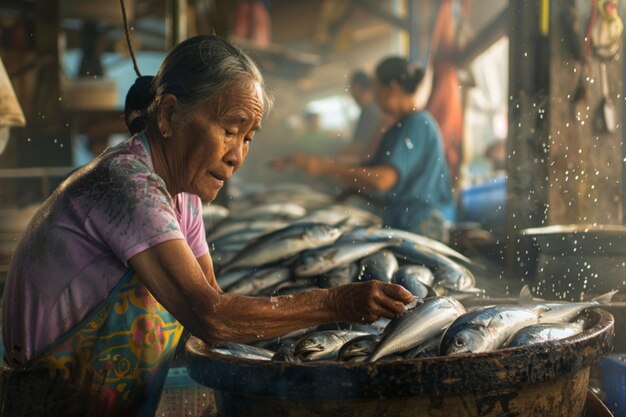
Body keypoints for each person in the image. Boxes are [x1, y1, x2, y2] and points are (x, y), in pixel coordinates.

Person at [0, 35, 413, 416]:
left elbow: (215, 302)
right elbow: (210, 316)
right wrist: (337, 303)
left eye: (248, 137)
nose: (237, 155)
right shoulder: (128, 185)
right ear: (169, 114)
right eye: (230, 130)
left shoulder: (183, 197)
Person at [274, 57, 454, 241]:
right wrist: (346, 184)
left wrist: (325, 167)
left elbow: (383, 180)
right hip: (403, 221)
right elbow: (370, 167)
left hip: (422, 225)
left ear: (392, 89)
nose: (374, 97)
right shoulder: (398, 128)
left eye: (376, 89)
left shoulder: (416, 124)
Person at [340, 70, 390, 163]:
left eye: (352, 90)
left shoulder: (369, 111)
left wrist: (337, 156)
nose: (352, 95)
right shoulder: (372, 108)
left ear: (358, 87)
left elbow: (360, 146)